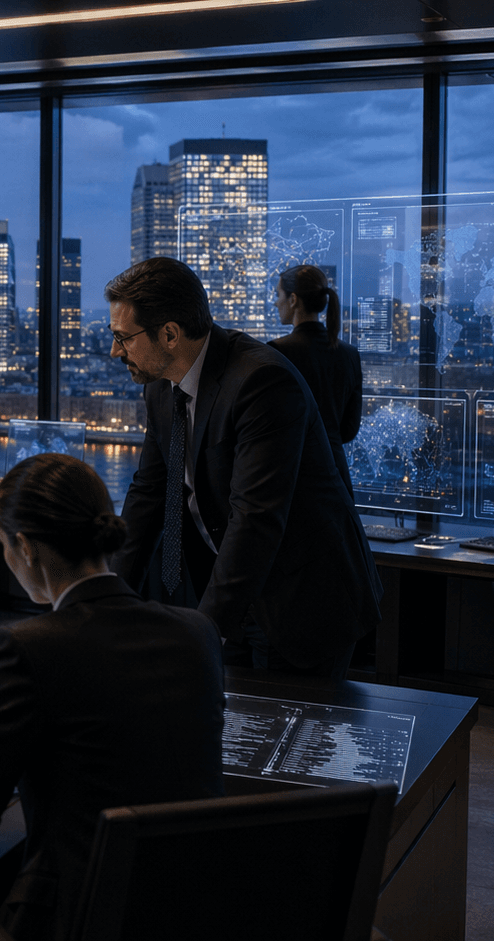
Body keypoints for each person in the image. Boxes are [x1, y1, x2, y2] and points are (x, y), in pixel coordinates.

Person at [0, 453, 224, 940]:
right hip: (192, 911)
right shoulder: (197, 631)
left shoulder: (28, 647)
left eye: (3, 545)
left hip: (74, 919)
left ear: (27, 549)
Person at [105, 256, 380, 680]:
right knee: (225, 733)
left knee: (291, 741)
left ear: (170, 334)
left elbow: (256, 518)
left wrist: (207, 629)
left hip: (300, 598)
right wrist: (106, 602)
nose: (114, 351)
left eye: (123, 338)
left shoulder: (260, 381)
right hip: (229, 588)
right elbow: (148, 493)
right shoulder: (160, 387)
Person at [268, 264, 363, 496]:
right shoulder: (349, 354)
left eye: (278, 295)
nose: (275, 302)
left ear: (292, 299)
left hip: (293, 476)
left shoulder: (277, 353)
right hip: (336, 474)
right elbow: (349, 430)